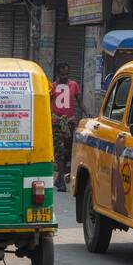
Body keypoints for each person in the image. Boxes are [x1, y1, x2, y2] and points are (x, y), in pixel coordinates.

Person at [50, 64, 83, 192]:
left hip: (69, 123)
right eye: (62, 74)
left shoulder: (73, 85)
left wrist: (87, 112)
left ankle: (59, 178)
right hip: (56, 122)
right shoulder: (52, 87)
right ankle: (62, 182)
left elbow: (79, 102)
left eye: (67, 74)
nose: (65, 77)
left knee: (68, 151)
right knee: (60, 151)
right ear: (57, 74)